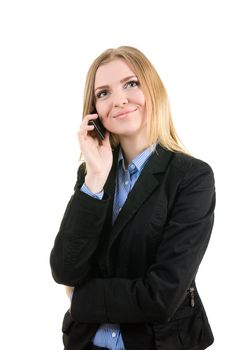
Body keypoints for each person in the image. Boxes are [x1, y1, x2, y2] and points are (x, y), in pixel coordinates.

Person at [50, 46, 216, 350]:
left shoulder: (192, 178)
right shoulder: (94, 175)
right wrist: (95, 179)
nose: (119, 100)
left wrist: (80, 297)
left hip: (156, 343)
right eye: (103, 93)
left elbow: (161, 297)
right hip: (87, 343)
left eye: (131, 83)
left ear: (153, 89)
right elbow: (65, 269)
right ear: (94, 111)